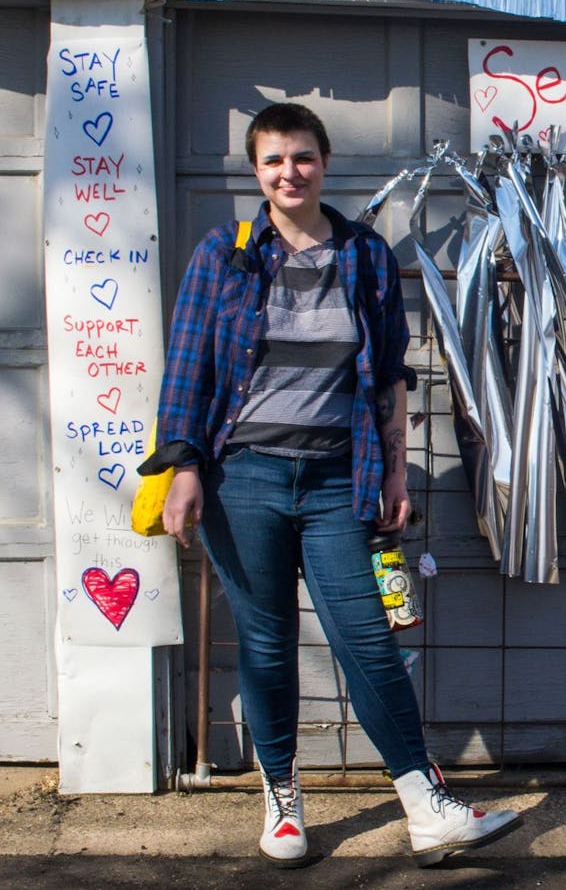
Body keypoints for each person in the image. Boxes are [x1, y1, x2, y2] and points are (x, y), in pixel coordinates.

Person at [137, 102, 521, 868]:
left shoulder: (365, 255)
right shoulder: (225, 253)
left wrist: (390, 468)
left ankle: (427, 805)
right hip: (241, 477)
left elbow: (388, 373)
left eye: (303, 157)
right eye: (275, 160)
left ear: (324, 162)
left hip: (335, 482)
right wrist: (182, 472)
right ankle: (282, 797)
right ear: (257, 170)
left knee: (368, 642)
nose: (290, 172)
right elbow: (188, 370)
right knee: (269, 645)